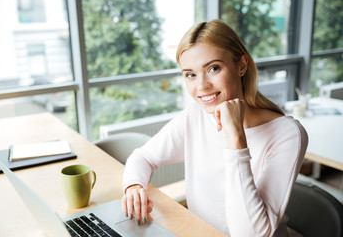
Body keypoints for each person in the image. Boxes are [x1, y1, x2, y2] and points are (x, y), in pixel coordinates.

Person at [120, 19, 308, 236]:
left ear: (242, 66)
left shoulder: (287, 134)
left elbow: (249, 234)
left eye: (213, 68)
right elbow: (143, 156)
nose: (201, 86)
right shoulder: (195, 115)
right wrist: (134, 186)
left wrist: (236, 137)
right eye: (190, 74)